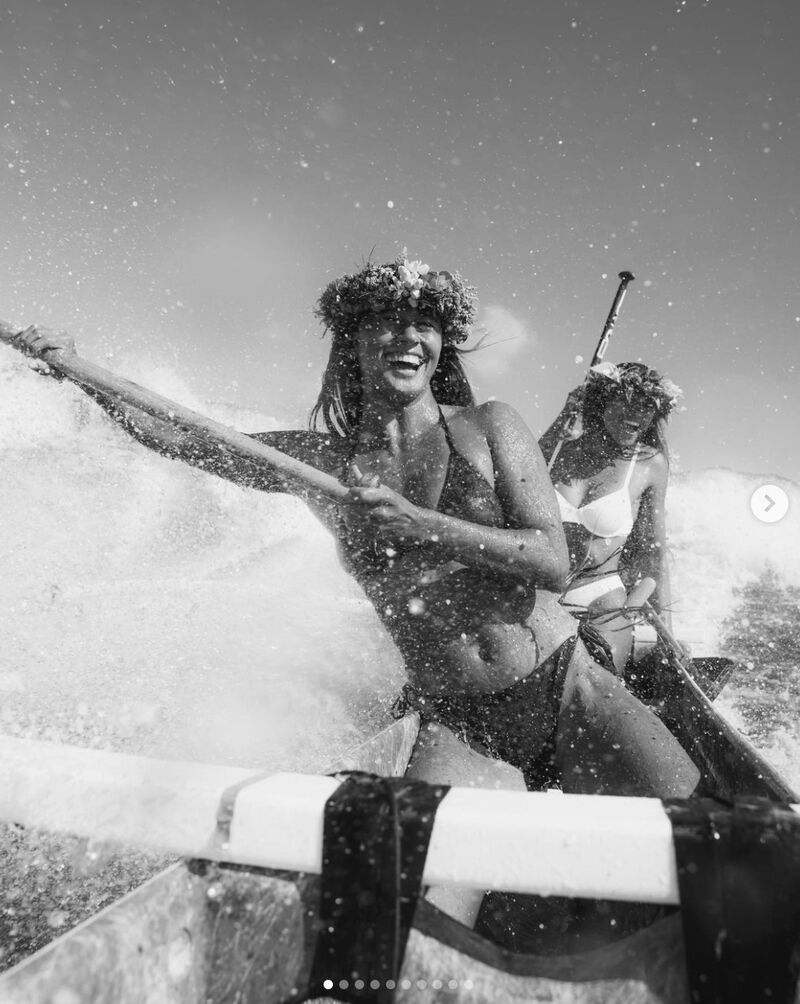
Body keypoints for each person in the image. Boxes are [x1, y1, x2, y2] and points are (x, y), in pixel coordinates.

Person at [16, 257, 698, 922]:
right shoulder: (319, 462)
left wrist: (425, 525)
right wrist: (76, 371)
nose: (408, 337)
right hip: (461, 725)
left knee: (704, 854)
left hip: (566, 688)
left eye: (424, 324)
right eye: (387, 322)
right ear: (354, 340)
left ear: (442, 343)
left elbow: (550, 559)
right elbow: (181, 438)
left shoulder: (491, 426)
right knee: (421, 924)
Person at [539, 360, 682, 674]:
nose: (636, 415)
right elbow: (513, 488)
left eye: (647, 406)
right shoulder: (558, 448)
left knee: (589, 679)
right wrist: (561, 419)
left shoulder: (649, 465)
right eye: (626, 401)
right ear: (601, 400)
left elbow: (653, 554)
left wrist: (660, 629)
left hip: (599, 598)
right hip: (537, 592)